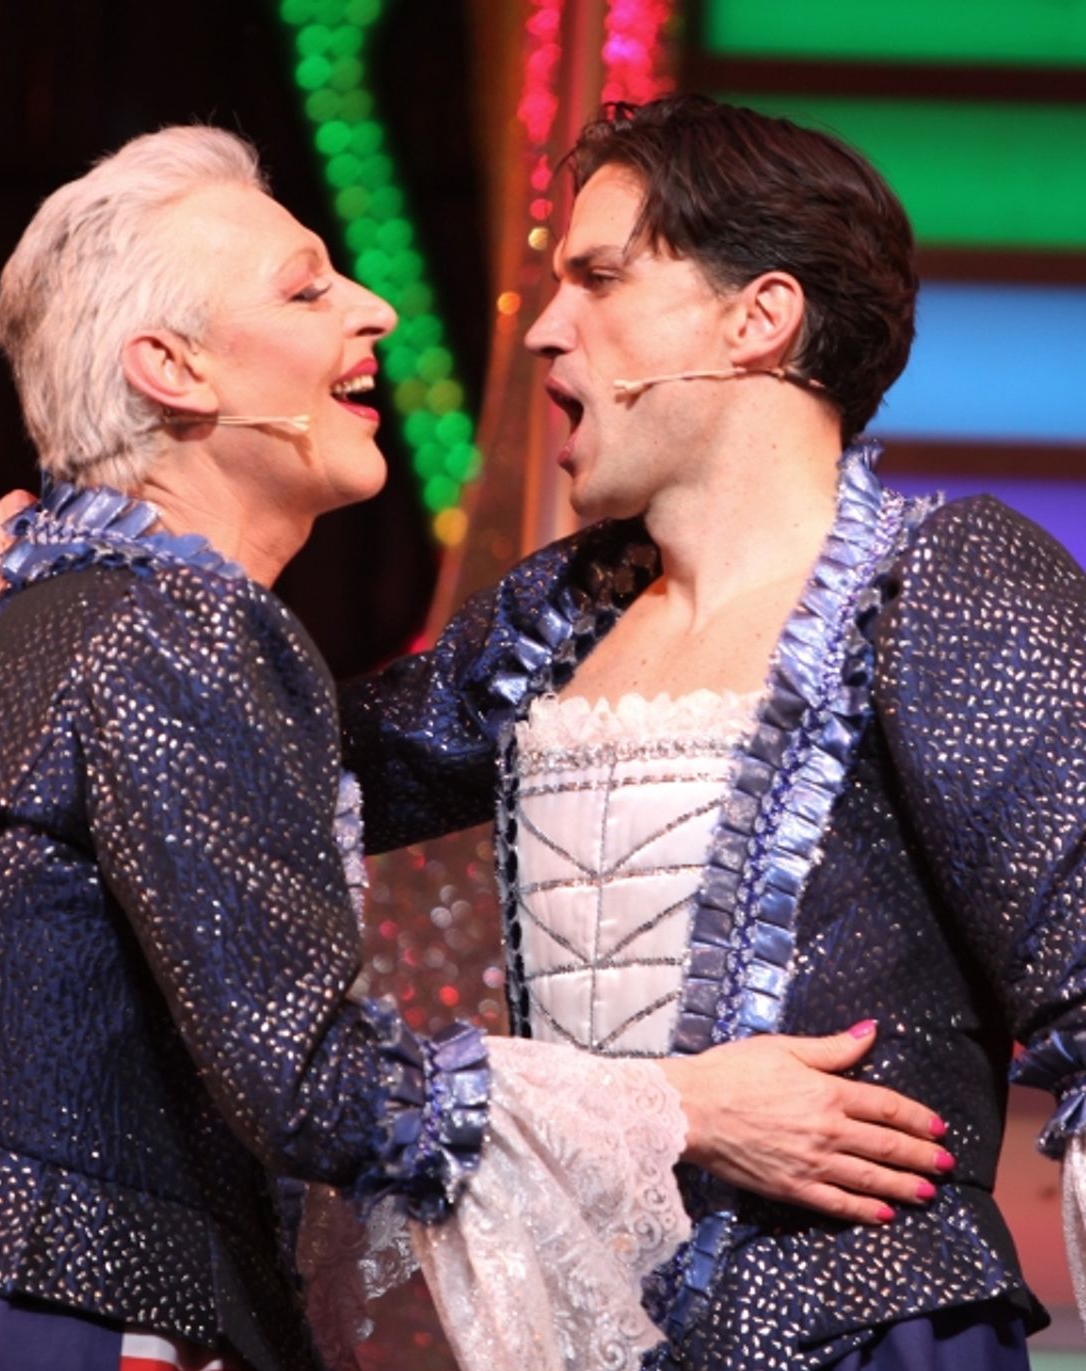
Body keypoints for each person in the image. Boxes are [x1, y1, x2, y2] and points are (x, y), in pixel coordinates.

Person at [0, 122, 950, 1371]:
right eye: (306, 288)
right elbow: (311, 1083)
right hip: (57, 1312)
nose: (381, 309)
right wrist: (681, 1108)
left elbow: (389, 745)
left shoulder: (87, 613)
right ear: (172, 369)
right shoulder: (162, 624)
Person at [334, 95, 1086, 1367]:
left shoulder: (941, 579)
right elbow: (274, 772)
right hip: (589, 1329)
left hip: (860, 1329)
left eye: (601, 278)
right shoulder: (548, 618)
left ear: (759, 318)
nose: (550, 331)